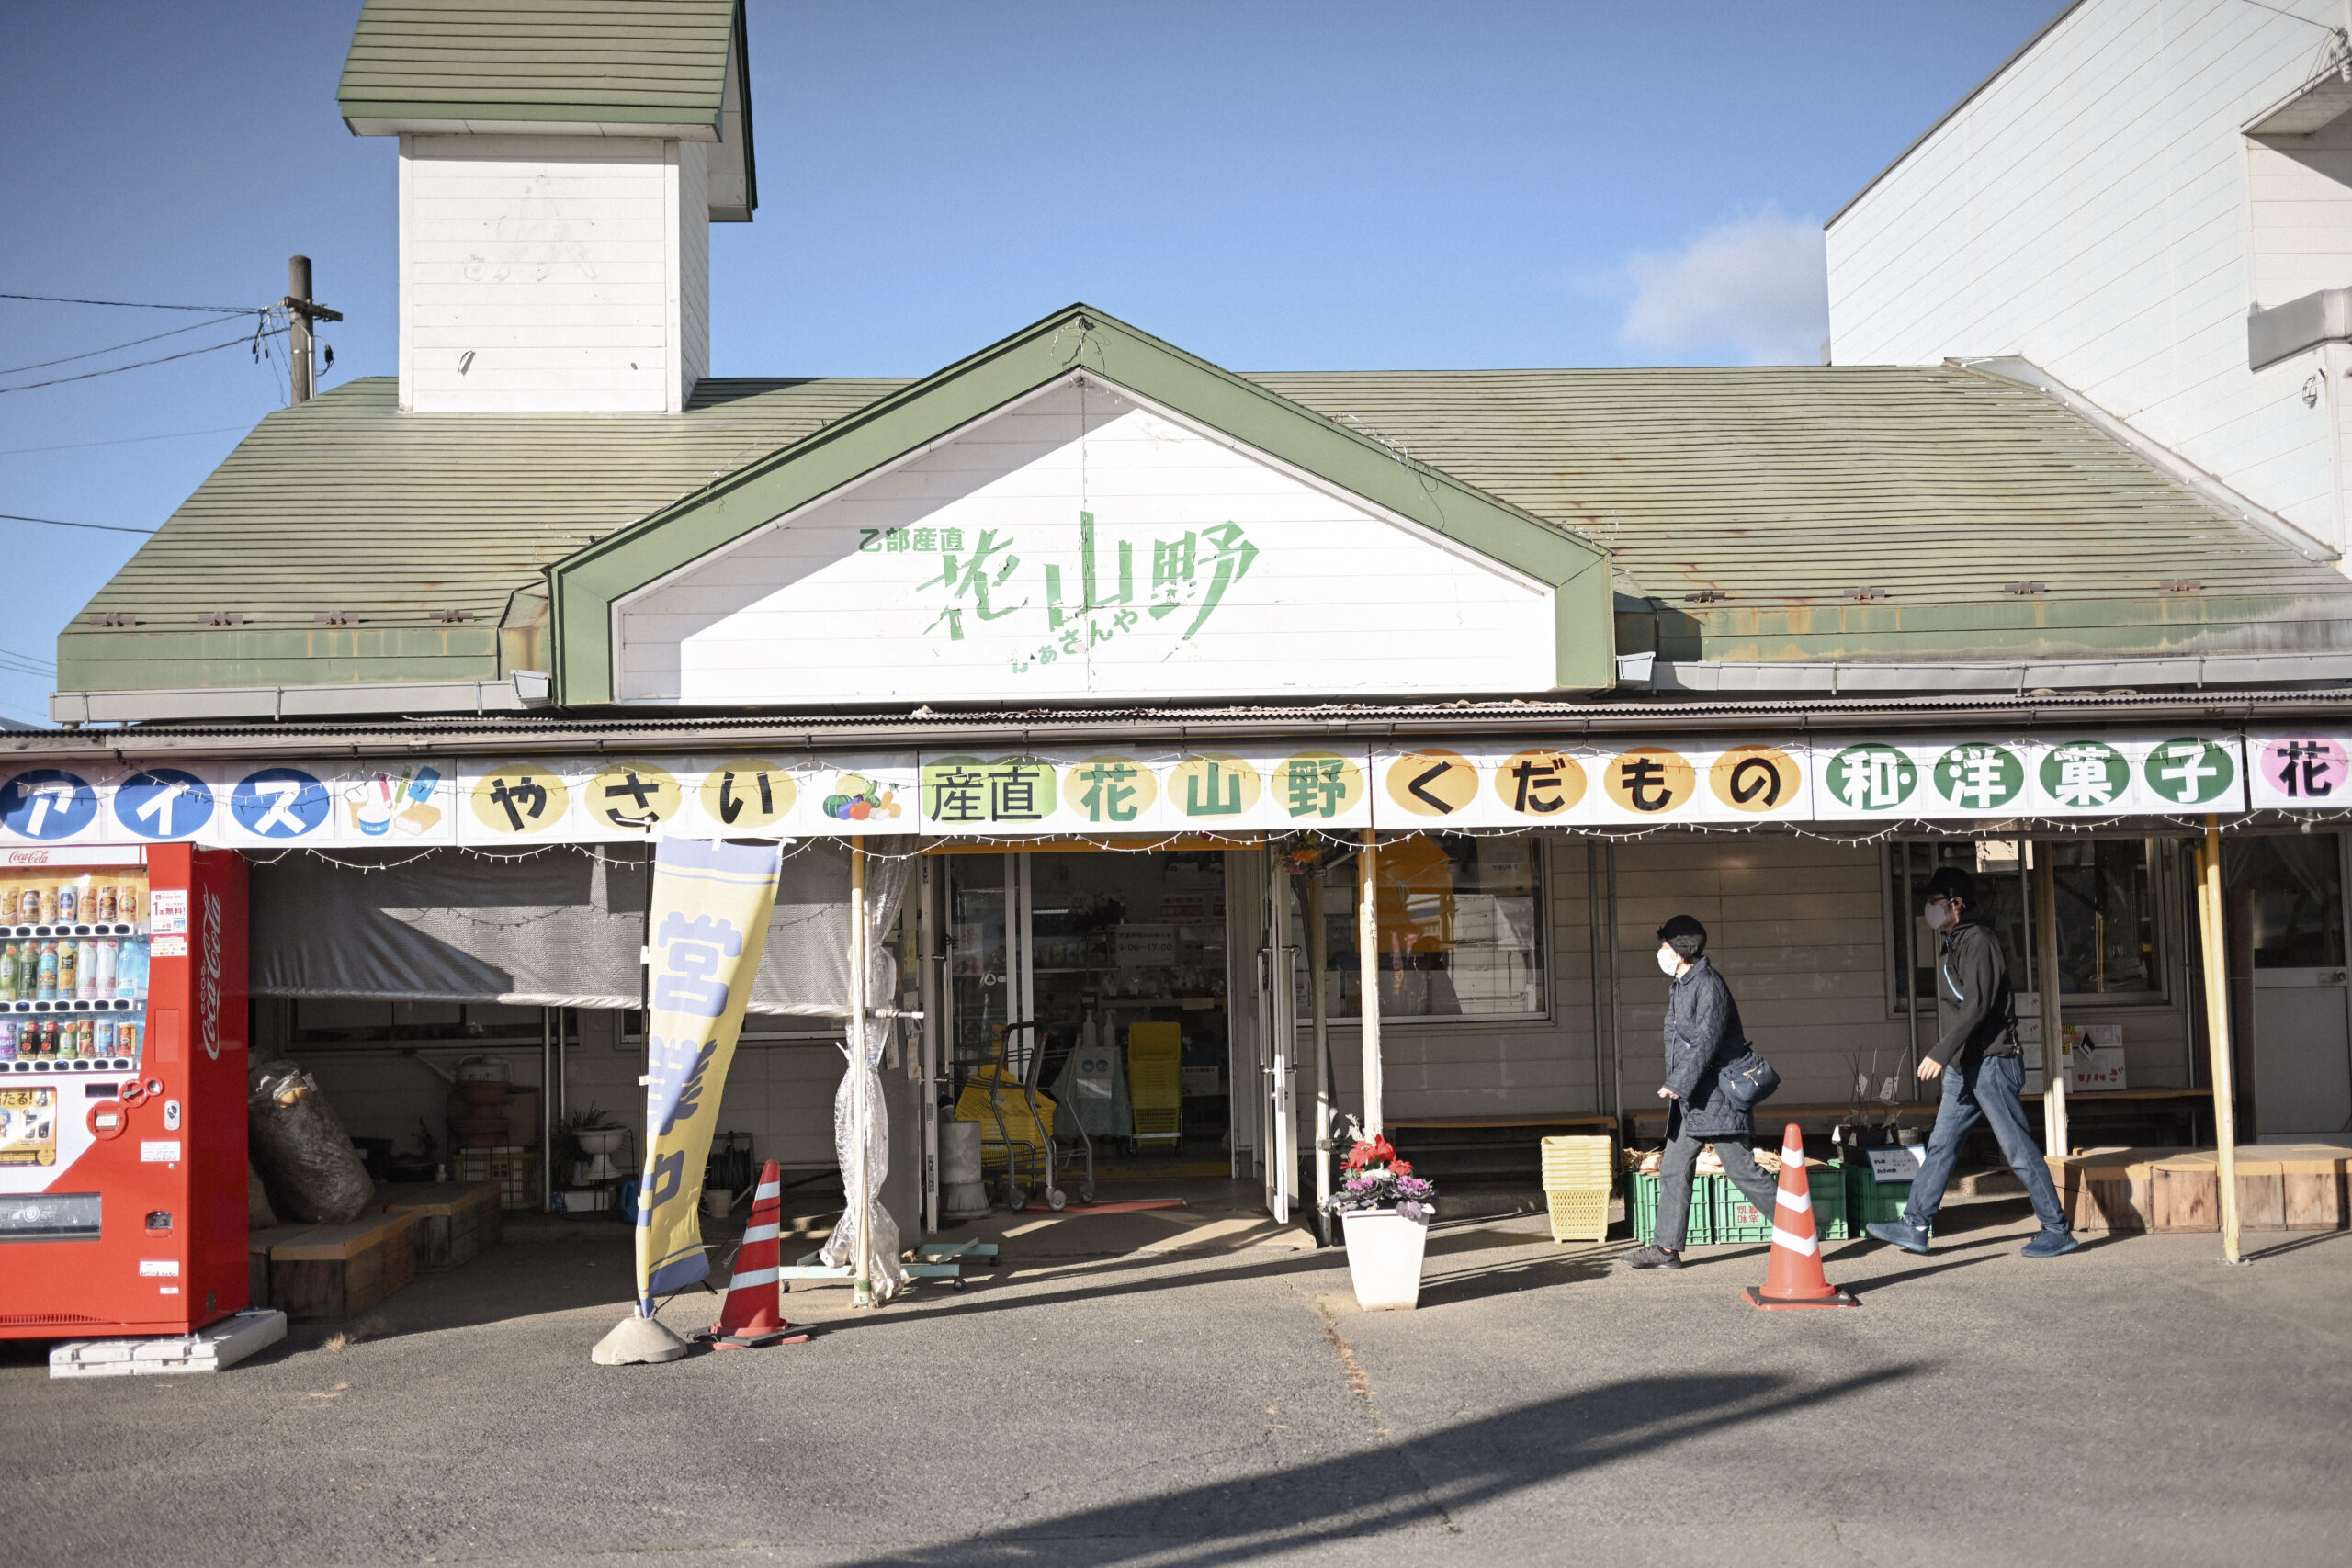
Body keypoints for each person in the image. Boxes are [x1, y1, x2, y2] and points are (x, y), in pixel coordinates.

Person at [1866, 865, 2077, 1258]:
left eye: (1934, 902)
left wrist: (1939, 1051)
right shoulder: (1957, 941)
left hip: (1992, 1062)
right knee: (1942, 1144)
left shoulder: (1978, 941)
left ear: (1956, 903)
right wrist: (1950, 1057)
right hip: (1965, 1065)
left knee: (2017, 1149)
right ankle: (1915, 1224)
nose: (1929, 910)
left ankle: (2056, 1228)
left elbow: (1977, 1005)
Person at [1622, 915, 1781, 1270]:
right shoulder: (1682, 984)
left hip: (1717, 1096)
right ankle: (1666, 1249)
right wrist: (1679, 1084)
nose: (1660, 952)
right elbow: (1676, 1039)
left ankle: (1799, 1228)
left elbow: (1707, 1043)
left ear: (1680, 950)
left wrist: (1677, 1083)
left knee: (1742, 1172)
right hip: (1694, 1097)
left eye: (1664, 946)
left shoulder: (1709, 984)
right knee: (1674, 1168)